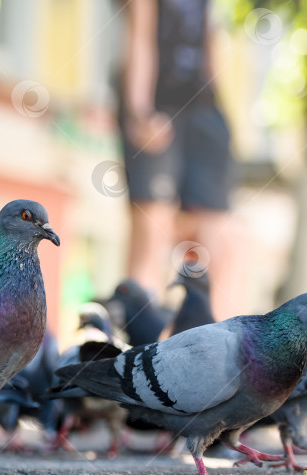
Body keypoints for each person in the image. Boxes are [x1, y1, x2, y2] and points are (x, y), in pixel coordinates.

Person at [116, 0, 234, 316]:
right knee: (152, 229)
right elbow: (140, 35)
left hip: (204, 108)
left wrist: (218, 108)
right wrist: (141, 110)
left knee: (215, 234)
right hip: (159, 102)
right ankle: (138, 334)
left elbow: (209, 36)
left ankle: (212, 337)